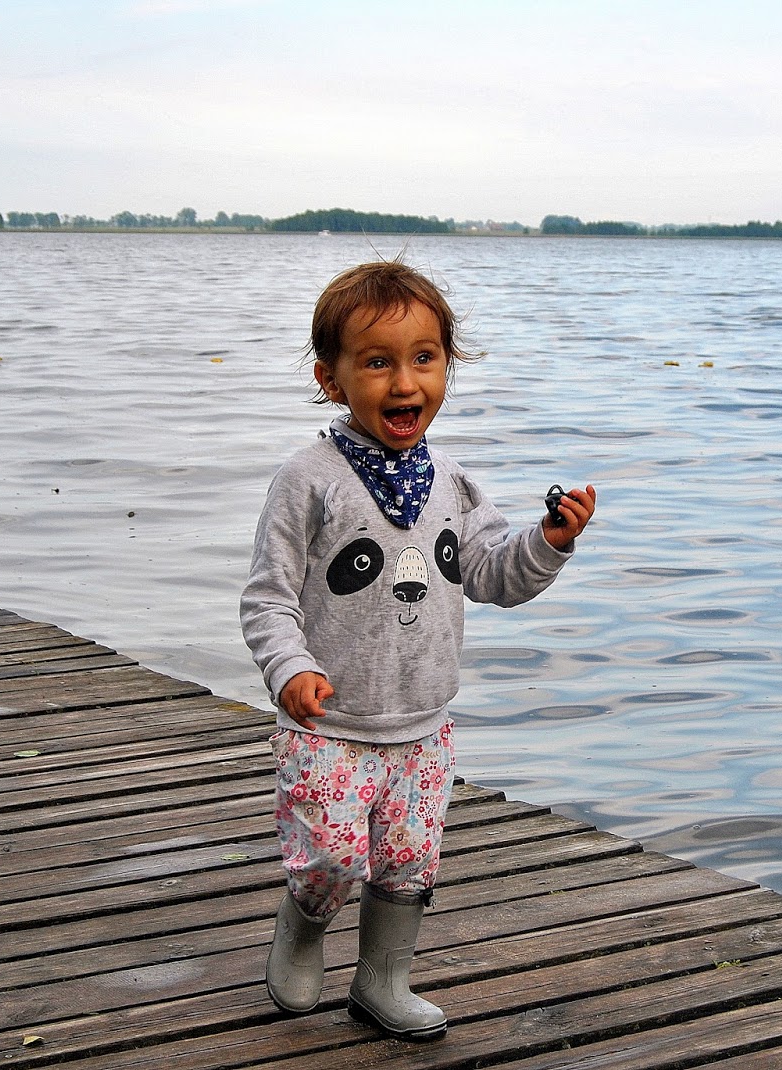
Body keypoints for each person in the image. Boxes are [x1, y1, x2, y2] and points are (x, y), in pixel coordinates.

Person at [240, 260, 595, 1040]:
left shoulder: (452, 482)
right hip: (329, 724)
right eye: (377, 362)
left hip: (422, 726)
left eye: (424, 358)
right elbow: (267, 597)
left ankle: (382, 981)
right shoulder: (308, 480)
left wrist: (550, 541)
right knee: (330, 858)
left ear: (446, 367)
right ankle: (303, 927)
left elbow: (491, 573)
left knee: (407, 865)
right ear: (330, 381)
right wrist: (291, 668)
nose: (405, 382)